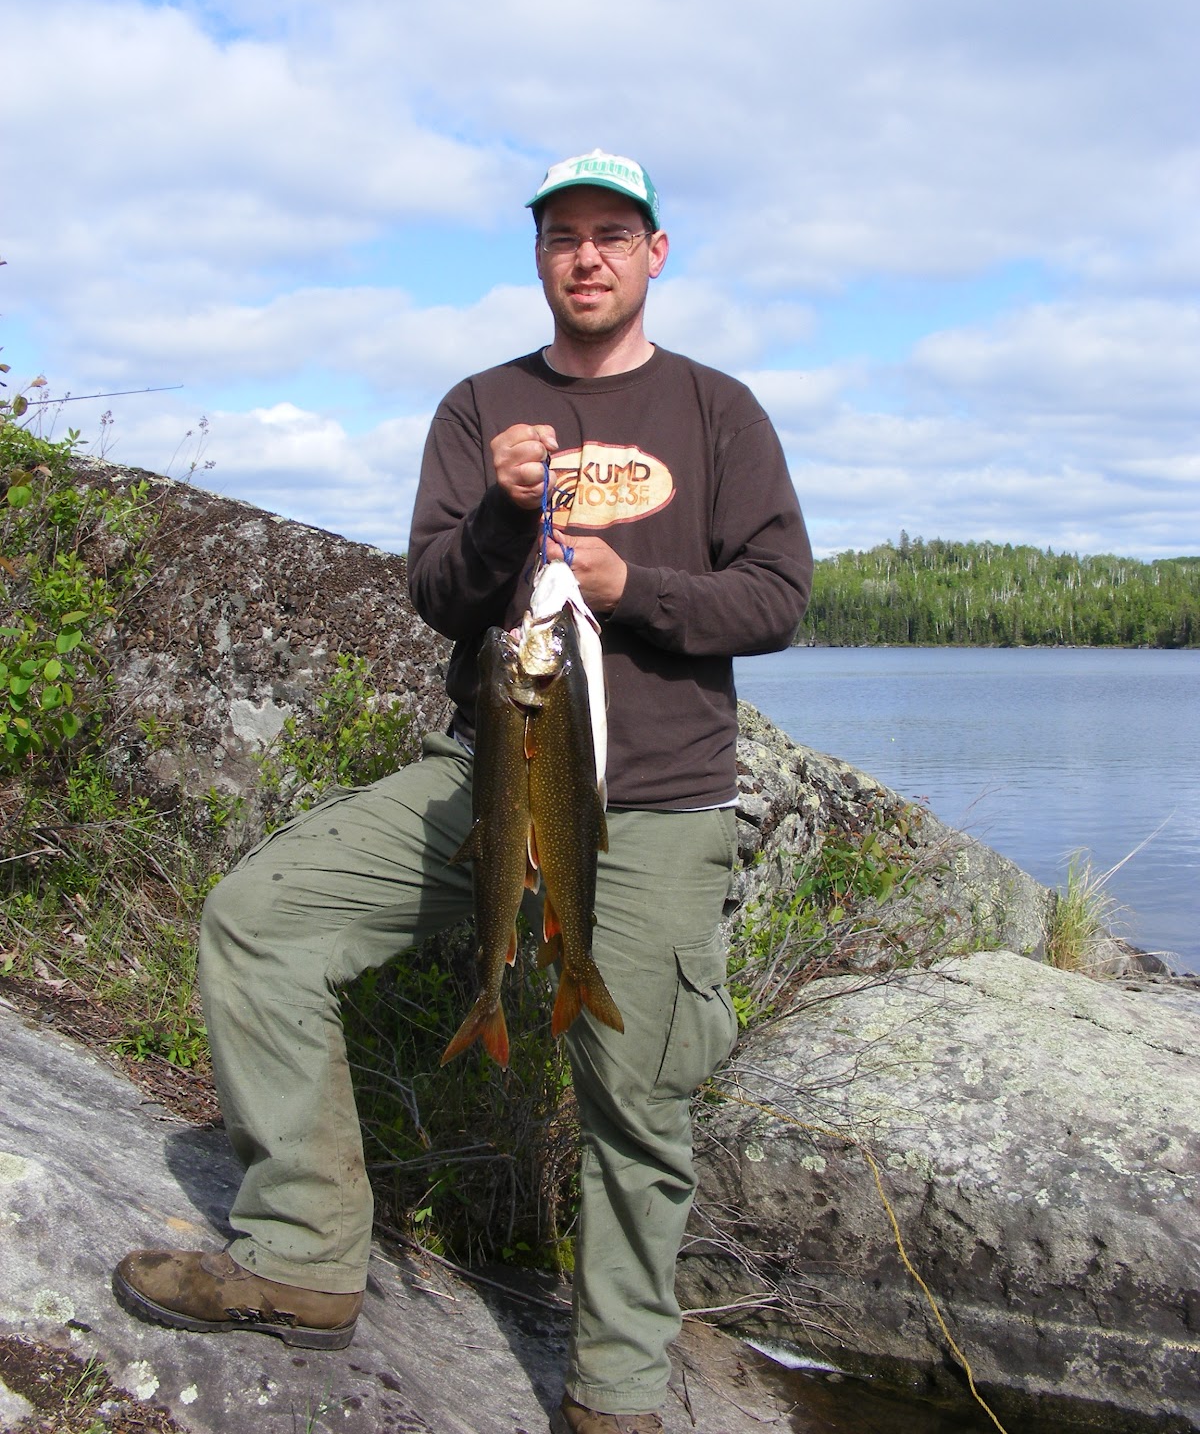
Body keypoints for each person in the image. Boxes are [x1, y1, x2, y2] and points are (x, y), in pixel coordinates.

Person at [114, 149, 813, 1434]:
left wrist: (633, 591)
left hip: (655, 802)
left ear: (658, 252)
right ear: (538, 256)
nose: (587, 256)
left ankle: (615, 1396)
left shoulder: (721, 413)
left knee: (634, 1097)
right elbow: (437, 590)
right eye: (563, 236)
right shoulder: (479, 405)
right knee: (260, 918)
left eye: (613, 233)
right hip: (481, 773)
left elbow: (779, 595)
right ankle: (303, 1255)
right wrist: (500, 516)